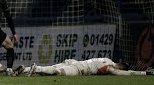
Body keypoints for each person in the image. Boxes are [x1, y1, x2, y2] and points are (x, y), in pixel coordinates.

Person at [14, 57, 154, 76]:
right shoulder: (110, 68)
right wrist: (144, 74)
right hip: (79, 68)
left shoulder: (107, 59)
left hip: (73, 61)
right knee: (58, 72)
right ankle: (36, 68)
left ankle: (24, 69)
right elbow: (123, 74)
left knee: (51, 69)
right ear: (120, 67)